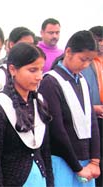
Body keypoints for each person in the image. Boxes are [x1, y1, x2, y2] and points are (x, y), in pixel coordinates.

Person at [0, 42, 53, 186]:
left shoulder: (39, 102)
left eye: (41, 70)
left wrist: (50, 182)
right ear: (13, 69)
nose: (39, 76)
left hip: (40, 178)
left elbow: (45, 152)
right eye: (32, 70)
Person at [39, 30, 101, 187]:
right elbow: (57, 129)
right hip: (63, 161)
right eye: (82, 59)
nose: (86, 65)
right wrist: (77, 167)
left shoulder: (82, 80)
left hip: (86, 163)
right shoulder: (51, 82)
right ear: (68, 52)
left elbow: (92, 122)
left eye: (89, 61)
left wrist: (95, 160)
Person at [82, 25, 103, 187]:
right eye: (98, 41)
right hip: (92, 119)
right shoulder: (85, 63)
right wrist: (92, 107)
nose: (101, 44)